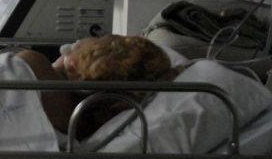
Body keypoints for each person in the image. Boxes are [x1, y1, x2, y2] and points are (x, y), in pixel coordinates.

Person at [16, 35, 177, 138]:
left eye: (98, 39)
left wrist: (53, 68)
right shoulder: (81, 130)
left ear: (73, 65)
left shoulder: (33, 63)